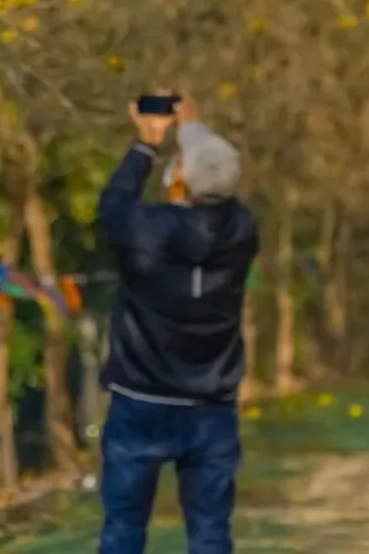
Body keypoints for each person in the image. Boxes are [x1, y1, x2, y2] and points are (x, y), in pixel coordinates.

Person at [97, 91, 258, 554]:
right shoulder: (242, 232)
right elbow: (217, 193)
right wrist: (194, 134)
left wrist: (147, 144)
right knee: (210, 533)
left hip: (140, 402)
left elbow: (113, 207)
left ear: (179, 183)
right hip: (211, 405)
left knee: (124, 530)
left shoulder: (146, 232)